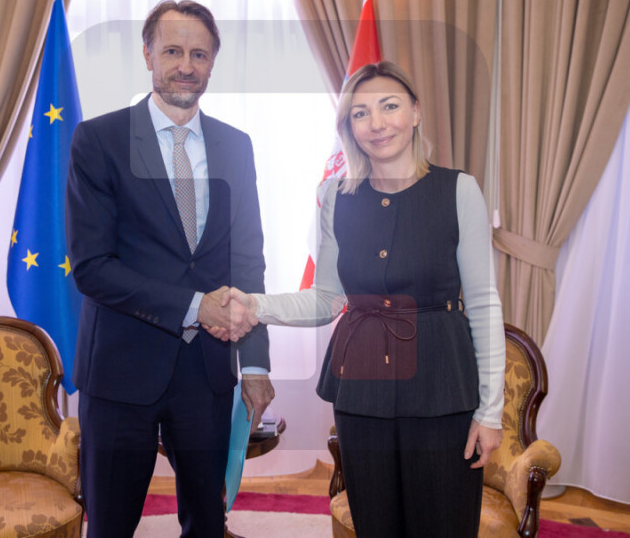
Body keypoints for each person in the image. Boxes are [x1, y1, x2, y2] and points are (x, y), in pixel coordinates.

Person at [216, 61, 505, 537]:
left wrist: (489, 413)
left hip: (442, 388)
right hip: (361, 391)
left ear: (415, 112)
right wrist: (254, 305)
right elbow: (327, 300)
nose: (377, 123)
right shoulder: (336, 196)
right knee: (374, 525)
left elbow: (483, 305)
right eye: (360, 113)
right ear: (349, 127)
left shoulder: (458, 190)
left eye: (389, 106)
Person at [65, 0, 275, 538]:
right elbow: (92, 267)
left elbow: (247, 261)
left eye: (199, 54)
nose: (186, 65)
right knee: (110, 525)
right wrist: (194, 306)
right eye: (173, 51)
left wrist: (255, 365)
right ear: (148, 55)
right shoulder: (99, 140)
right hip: (119, 370)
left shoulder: (236, 146)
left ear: (212, 62)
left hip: (206, 373)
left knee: (207, 523)